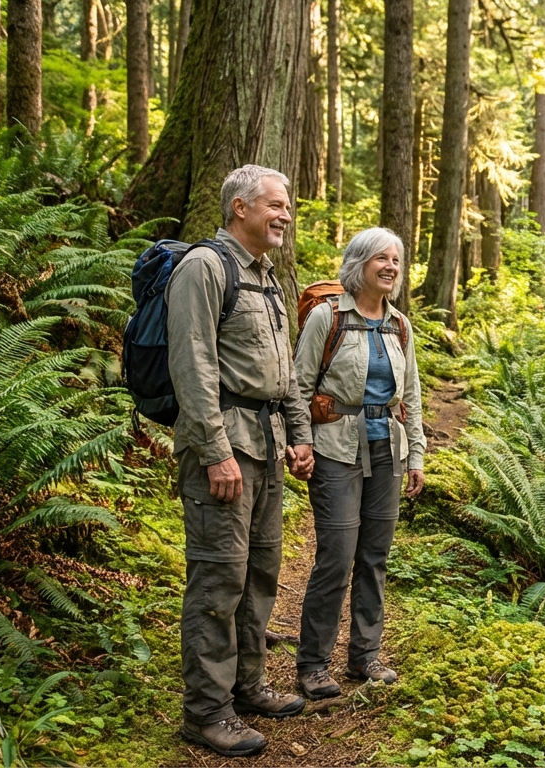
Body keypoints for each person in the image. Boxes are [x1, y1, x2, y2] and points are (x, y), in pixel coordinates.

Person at [166, 165, 316, 757]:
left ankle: (248, 686)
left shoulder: (268, 278)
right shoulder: (205, 269)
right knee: (218, 579)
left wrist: (299, 436)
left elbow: (283, 374)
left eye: (288, 207)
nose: (285, 215)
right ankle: (206, 711)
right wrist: (214, 452)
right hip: (223, 451)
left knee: (258, 575)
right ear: (239, 209)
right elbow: (193, 365)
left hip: (267, 445)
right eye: (275, 205)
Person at [293, 227, 426, 700]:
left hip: (386, 450)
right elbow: (299, 385)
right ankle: (312, 664)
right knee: (337, 557)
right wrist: (300, 443)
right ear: (359, 264)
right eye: (381, 259)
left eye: (396, 259)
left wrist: (416, 452)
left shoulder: (400, 326)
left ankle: (364, 655)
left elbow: (410, 394)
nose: (391, 266)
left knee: (375, 558)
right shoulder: (328, 318)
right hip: (334, 451)